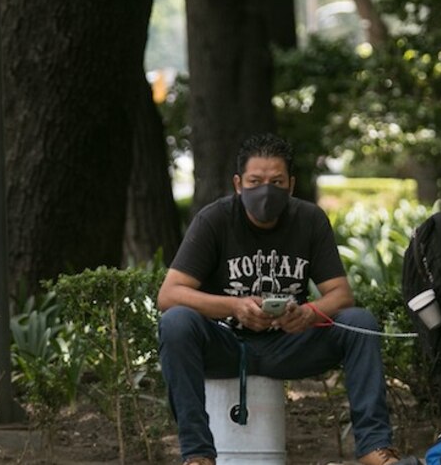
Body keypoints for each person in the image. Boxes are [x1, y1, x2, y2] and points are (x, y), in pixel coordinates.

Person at [157, 133, 420, 465]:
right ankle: (197, 455)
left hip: (290, 344)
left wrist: (310, 313)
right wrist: (233, 306)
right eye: (255, 181)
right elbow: (170, 294)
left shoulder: (309, 220)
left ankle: (373, 448)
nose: (266, 190)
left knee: (359, 323)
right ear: (238, 184)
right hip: (225, 344)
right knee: (176, 322)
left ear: (291, 185)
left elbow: (340, 295)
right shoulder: (214, 219)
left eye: (276, 181)